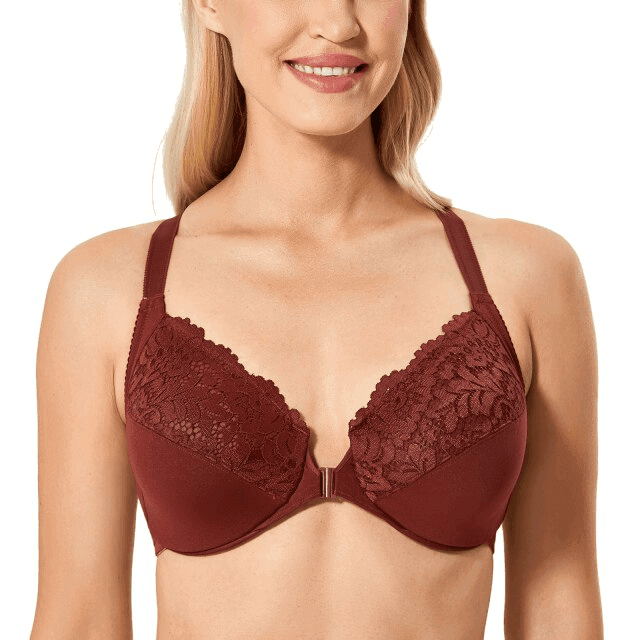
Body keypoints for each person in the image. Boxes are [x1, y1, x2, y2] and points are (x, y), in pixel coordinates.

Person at [29, 1, 604, 638]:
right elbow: (79, 620)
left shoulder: (527, 277)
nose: (338, 23)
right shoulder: (107, 289)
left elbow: (560, 604)